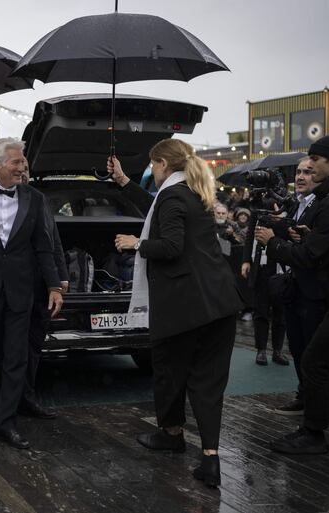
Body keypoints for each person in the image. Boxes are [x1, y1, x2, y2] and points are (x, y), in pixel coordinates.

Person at [109, 138, 242, 488]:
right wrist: (124, 182)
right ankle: (210, 457)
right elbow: (159, 210)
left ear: (163, 164)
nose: (152, 170)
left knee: (169, 371)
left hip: (184, 306)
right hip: (220, 303)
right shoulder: (194, 192)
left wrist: (135, 243)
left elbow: (170, 246)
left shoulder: (171, 196)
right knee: (208, 383)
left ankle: (171, 434)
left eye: (153, 164)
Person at [0, 138, 63, 450]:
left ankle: (7, 422)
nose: (22, 168)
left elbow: (44, 246)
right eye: (16, 162)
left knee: (16, 358)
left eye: (23, 162)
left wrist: (54, 285)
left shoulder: (34, 197)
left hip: (21, 290)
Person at [256, 132, 329, 454]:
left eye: (316, 160)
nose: (310, 166)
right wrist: (310, 236)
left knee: (314, 360)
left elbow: (310, 257)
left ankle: (313, 434)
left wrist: (272, 243)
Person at [272, 158, 325, 415]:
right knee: (296, 345)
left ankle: (318, 408)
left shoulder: (324, 204)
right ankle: (304, 395)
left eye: (308, 172)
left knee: (313, 352)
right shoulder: (295, 203)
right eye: (298, 172)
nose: (301, 177)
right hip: (294, 285)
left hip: (314, 289)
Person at [19, 160, 68, 420]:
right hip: (12, 286)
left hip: (41, 285)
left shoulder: (39, 199)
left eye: (27, 169)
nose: (23, 172)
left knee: (33, 345)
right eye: (19, 167)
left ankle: (27, 398)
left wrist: (60, 277)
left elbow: (53, 238)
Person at [242, 198, 288, 366]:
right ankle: (261, 350)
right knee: (260, 310)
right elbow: (250, 235)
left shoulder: (287, 206)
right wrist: (246, 260)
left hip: (280, 266)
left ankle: (277, 350)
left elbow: (289, 235)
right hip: (261, 266)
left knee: (280, 312)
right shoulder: (257, 208)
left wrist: (280, 220)